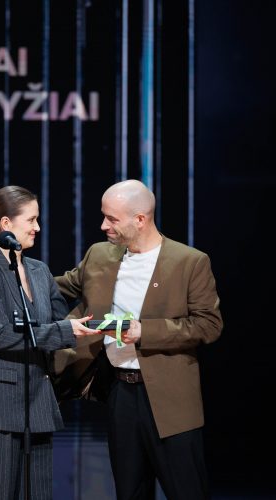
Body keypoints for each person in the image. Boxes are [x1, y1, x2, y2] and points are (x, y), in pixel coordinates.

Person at [54, 179, 223, 500]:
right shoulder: (100, 256)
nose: (103, 225)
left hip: (171, 398)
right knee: (129, 492)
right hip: (121, 394)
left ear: (140, 219)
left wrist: (145, 331)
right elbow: (58, 286)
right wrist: (6, 278)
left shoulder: (189, 262)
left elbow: (208, 325)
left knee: (187, 491)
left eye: (112, 219)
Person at [0, 185, 100, 500]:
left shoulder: (38, 271)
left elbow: (60, 320)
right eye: (31, 220)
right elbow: (2, 335)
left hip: (36, 406)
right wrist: (65, 330)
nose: (37, 227)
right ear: (6, 224)